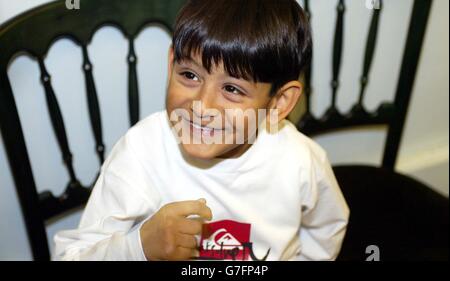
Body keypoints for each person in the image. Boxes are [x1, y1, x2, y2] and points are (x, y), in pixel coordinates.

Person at [54, 0, 349, 261]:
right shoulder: (140, 153)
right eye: (190, 75)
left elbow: (327, 228)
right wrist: (139, 247)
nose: (202, 106)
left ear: (278, 103)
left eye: (232, 89)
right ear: (171, 65)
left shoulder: (301, 160)